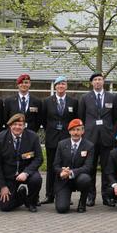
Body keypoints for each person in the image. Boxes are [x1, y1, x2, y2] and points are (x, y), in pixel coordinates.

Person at [78, 71, 116, 207]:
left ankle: (107, 197)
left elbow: (115, 118)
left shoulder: (112, 97)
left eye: (100, 79)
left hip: (107, 138)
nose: (98, 82)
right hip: (90, 139)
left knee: (107, 169)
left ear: (103, 81)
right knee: (90, 168)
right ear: (92, 83)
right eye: (95, 80)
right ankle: (90, 196)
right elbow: (81, 118)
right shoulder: (85, 98)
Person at [0, 113, 43, 212]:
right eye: (14, 124)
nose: (17, 127)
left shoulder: (33, 137)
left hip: (26, 172)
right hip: (9, 175)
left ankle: (31, 202)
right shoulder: (0, 138)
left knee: (36, 179)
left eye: (20, 124)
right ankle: (22, 197)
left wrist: (26, 172)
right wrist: (3, 186)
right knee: (5, 207)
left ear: (24, 125)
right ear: (10, 125)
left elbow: (39, 158)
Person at [40, 75, 78, 205]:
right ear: (55, 86)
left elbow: (75, 121)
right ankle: (49, 194)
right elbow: (43, 121)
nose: (61, 86)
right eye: (58, 84)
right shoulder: (46, 102)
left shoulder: (73, 102)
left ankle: (65, 194)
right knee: (52, 167)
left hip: (67, 140)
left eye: (63, 84)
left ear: (66, 86)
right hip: (52, 139)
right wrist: (51, 130)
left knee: (66, 167)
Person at [53, 119, 94, 213]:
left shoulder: (89, 146)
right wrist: (61, 171)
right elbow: (55, 165)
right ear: (69, 131)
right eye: (73, 130)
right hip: (64, 180)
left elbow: (88, 167)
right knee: (62, 209)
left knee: (86, 179)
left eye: (78, 129)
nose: (76, 132)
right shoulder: (61, 144)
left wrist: (71, 172)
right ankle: (65, 198)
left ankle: (82, 203)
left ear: (83, 131)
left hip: (79, 178)